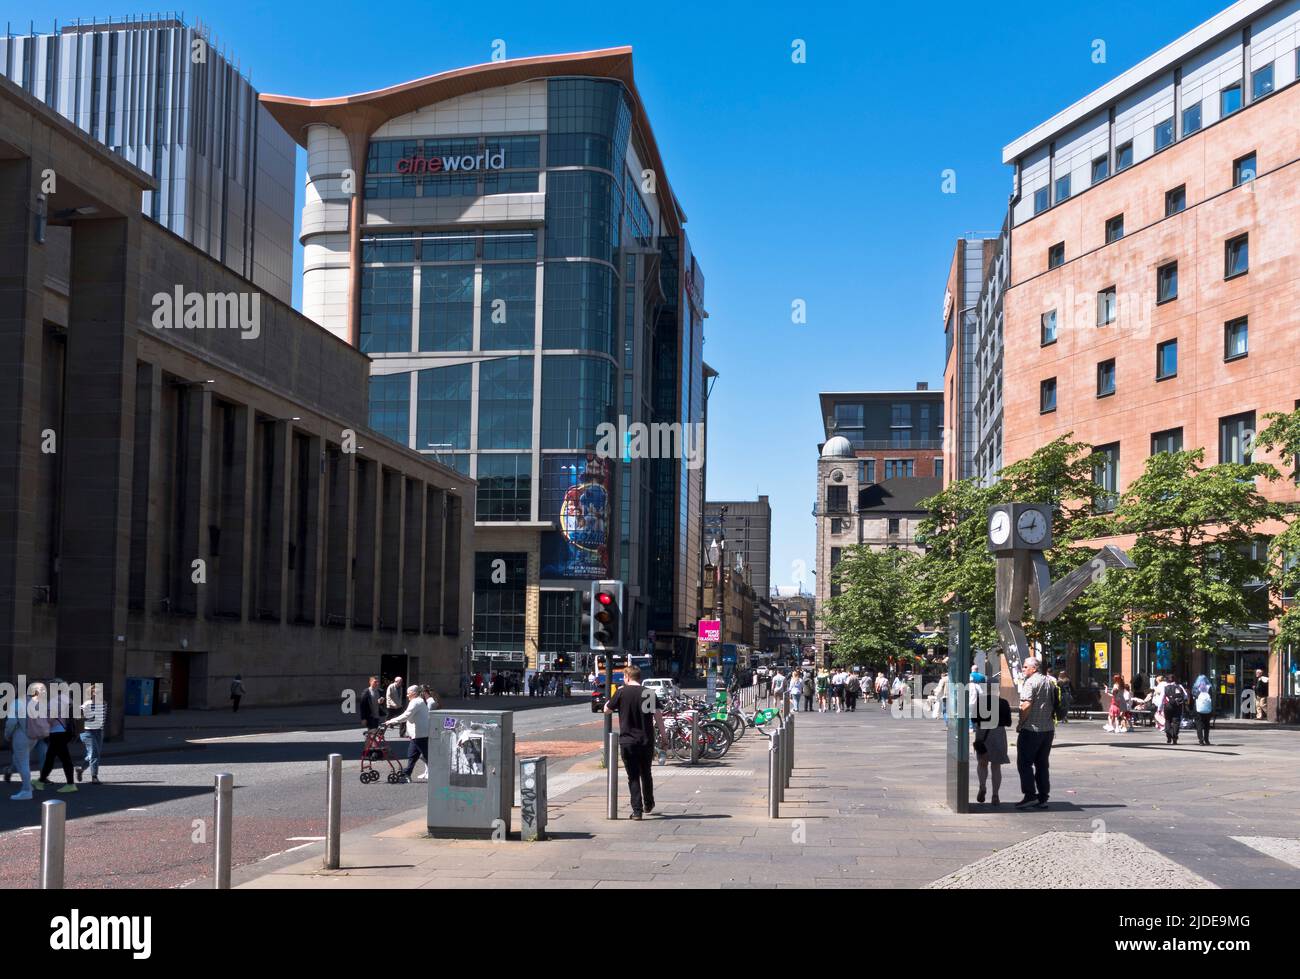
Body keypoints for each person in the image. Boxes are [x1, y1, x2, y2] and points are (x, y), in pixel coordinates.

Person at [604, 665, 666, 820]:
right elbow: (658, 716)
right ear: (639, 677)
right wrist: (664, 736)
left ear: (627, 677)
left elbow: (607, 710)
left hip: (628, 741)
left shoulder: (621, 692)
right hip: (646, 740)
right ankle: (649, 803)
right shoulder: (649, 693)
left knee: (633, 776)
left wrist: (612, 699)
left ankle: (637, 811)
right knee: (646, 772)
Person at [1015, 657, 1055, 809]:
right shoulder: (1048, 681)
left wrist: (1020, 723)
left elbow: (1026, 705)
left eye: (1025, 667)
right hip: (1048, 729)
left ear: (1034, 668)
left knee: (1024, 763)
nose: (1023, 669)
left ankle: (1030, 795)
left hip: (1031, 729)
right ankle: (1043, 797)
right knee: (1042, 764)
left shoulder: (1031, 682)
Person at [4, 683, 49, 800]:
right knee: (17, 760)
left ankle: (26, 790)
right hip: (34, 737)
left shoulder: (17, 703)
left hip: (21, 736)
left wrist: (7, 735)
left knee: (23, 763)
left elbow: (12, 722)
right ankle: (27, 785)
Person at [970, 671, 1008, 805]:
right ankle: (995, 795)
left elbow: (974, 719)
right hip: (998, 733)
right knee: (996, 766)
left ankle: (982, 786)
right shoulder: (1003, 703)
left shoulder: (981, 702)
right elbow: (1008, 721)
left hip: (983, 733)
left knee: (982, 763)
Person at [38, 680, 78, 793]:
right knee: (50, 758)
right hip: (65, 732)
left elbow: (50, 719)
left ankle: (70, 784)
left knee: (65, 759)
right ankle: (41, 781)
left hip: (57, 733)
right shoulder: (68, 700)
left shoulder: (54, 701)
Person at [385, 685, 431, 781]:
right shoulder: (418, 701)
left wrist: (391, 721)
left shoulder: (416, 702)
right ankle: (407, 773)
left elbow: (406, 715)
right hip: (418, 734)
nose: (407, 695)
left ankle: (440, 773)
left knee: (426, 756)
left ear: (413, 693)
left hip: (420, 734)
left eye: (408, 693)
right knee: (412, 755)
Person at [75, 683, 106, 784]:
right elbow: (78, 716)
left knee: (93, 754)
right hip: (87, 731)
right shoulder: (87, 704)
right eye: (95, 692)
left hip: (99, 731)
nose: (98, 694)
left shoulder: (104, 703)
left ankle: (80, 768)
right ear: (91, 694)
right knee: (94, 754)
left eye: (99, 692)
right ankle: (94, 777)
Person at [1162, 675, 1188, 745]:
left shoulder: (1164, 687)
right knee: (1176, 722)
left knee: (1167, 721)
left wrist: (1160, 708)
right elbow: (1185, 696)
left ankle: (1169, 737)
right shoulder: (1179, 686)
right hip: (1177, 706)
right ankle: (1175, 738)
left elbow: (1161, 698)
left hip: (1167, 706)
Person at [1192, 674, 1214, 746]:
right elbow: (1211, 697)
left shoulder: (1196, 687)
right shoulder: (1209, 687)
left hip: (1198, 708)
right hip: (1207, 708)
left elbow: (1194, 696)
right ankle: (1206, 740)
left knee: (1199, 724)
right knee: (1207, 724)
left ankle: (1201, 740)